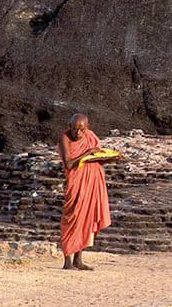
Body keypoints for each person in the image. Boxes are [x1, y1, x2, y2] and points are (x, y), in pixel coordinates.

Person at [57, 113, 113, 270]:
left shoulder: (91, 137)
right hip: (76, 183)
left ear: (87, 127)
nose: (78, 133)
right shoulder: (65, 138)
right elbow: (68, 164)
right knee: (72, 218)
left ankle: (78, 260)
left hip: (92, 181)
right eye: (74, 129)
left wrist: (108, 158)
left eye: (81, 129)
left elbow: (95, 158)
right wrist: (87, 153)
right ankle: (67, 261)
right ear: (69, 126)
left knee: (86, 219)